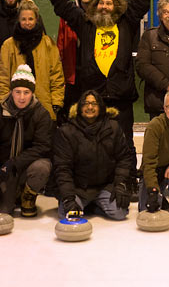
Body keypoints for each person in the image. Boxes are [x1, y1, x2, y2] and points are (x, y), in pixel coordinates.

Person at [33, 0, 158, 189]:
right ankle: (98, 180)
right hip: (93, 98)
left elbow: (141, 0)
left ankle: (128, 182)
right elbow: (63, 6)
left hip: (120, 97)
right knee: (93, 143)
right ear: (94, 6)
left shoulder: (127, 23)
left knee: (125, 143)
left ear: (116, 7)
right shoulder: (86, 24)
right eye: (101, 3)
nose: (104, 6)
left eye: (109, 3)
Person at [0, 64, 53, 217]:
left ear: (32, 93)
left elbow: (43, 147)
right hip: (2, 171)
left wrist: (14, 163)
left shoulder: (41, 114)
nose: (22, 97)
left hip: (22, 167)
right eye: (18, 92)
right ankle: (8, 193)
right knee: (3, 212)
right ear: (11, 92)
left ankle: (27, 195)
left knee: (43, 166)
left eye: (26, 92)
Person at [53, 90, 133, 220]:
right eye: (86, 103)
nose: (90, 107)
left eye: (94, 104)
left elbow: (124, 158)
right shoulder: (66, 131)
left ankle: (91, 207)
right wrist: (68, 197)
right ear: (79, 107)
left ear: (100, 107)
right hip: (78, 189)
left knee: (120, 213)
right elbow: (62, 168)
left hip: (104, 187)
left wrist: (120, 185)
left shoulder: (113, 127)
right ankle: (82, 204)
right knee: (66, 215)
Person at [0, 0, 65, 120]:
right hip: (15, 107)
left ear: (37, 20)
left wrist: (56, 103)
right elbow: (2, 78)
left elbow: (57, 76)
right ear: (18, 20)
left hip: (44, 106)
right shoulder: (9, 45)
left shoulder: (48, 44)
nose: (27, 22)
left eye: (31, 19)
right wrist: (3, 103)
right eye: (24, 19)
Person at [58, 0, 100, 116]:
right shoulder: (69, 15)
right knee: (71, 113)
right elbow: (61, 45)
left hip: (93, 73)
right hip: (73, 73)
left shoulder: (100, 15)